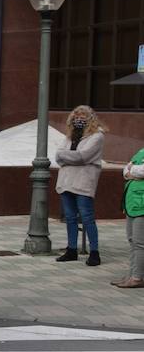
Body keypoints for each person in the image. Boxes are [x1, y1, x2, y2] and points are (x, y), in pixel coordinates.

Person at [55, 105, 105, 266]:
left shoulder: (97, 136)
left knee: (87, 217)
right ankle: (71, 250)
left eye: (83, 115)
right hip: (66, 181)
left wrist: (67, 156)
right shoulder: (70, 136)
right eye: (76, 115)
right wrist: (70, 156)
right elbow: (58, 155)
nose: (79, 118)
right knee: (70, 218)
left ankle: (94, 252)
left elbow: (83, 156)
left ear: (90, 118)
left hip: (83, 181)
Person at [116, 143, 144, 288]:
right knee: (132, 240)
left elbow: (139, 170)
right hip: (132, 203)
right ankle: (132, 274)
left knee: (140, 243)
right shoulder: (141, 151)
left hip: (142, 204)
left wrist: (132, 169)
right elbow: (124, 170)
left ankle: (137, 277)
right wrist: (132, 171)